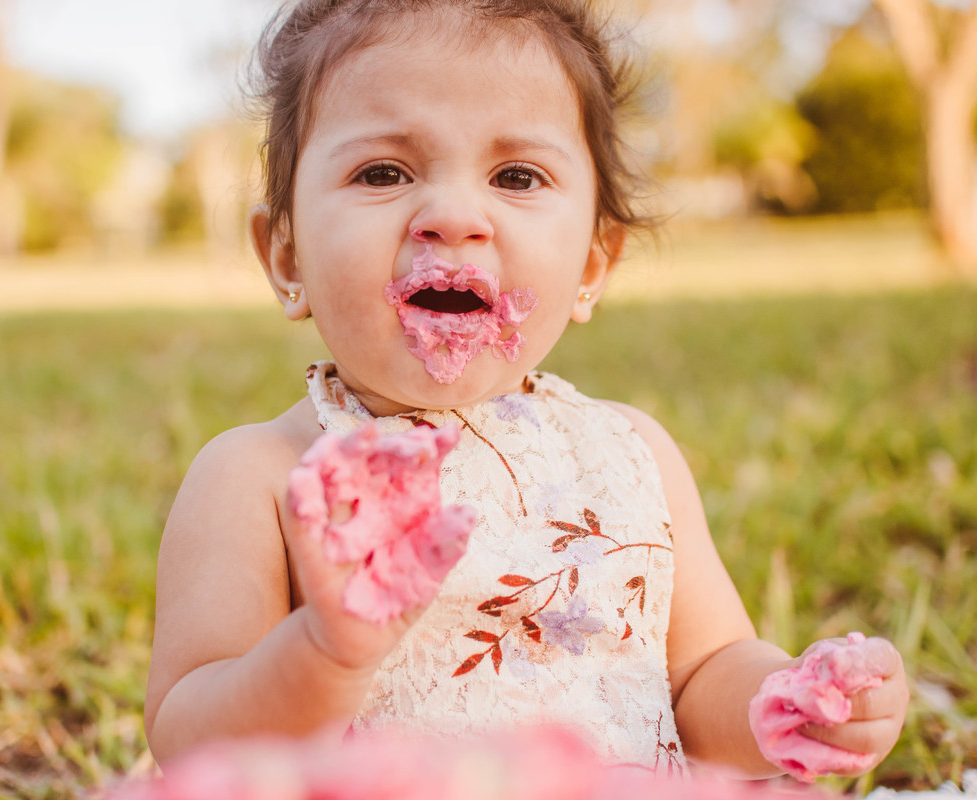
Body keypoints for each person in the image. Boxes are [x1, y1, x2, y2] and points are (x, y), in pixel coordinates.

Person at [144, 0, 909, 778]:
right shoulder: (260, 477)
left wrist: (782, 698)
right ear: (287, 255)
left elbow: (703, 673)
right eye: (383, 171)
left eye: (517, 175)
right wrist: (323, 653)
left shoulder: (632, 455)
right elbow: (188, 741)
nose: (451, 216)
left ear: (590, 266)